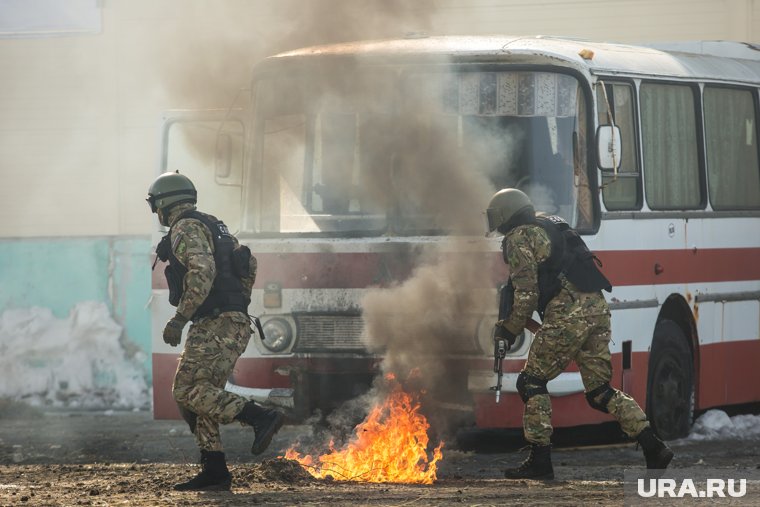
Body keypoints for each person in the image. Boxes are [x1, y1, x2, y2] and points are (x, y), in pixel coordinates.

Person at [486, 188, 673, 480]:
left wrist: (508, 329)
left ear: (505, 215)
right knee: (600, 392)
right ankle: (653, 447)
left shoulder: (519, 237)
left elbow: (526, 293)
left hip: (567, 313)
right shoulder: (551, 224)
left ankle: (540, 461)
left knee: (530, 382)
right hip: (596, 309)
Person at [147, 171, 285, 491]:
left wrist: (180, 319)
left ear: (165, 203)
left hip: (215, 323)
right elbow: (247, 265)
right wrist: (238, 304)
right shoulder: (215, 225)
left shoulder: (185, 227)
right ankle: (215, 471)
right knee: (201, 392)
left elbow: (203, 271)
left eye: (156, 206)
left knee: (185, 391)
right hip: (232, 322)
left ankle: (259, 417)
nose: (157, 213)